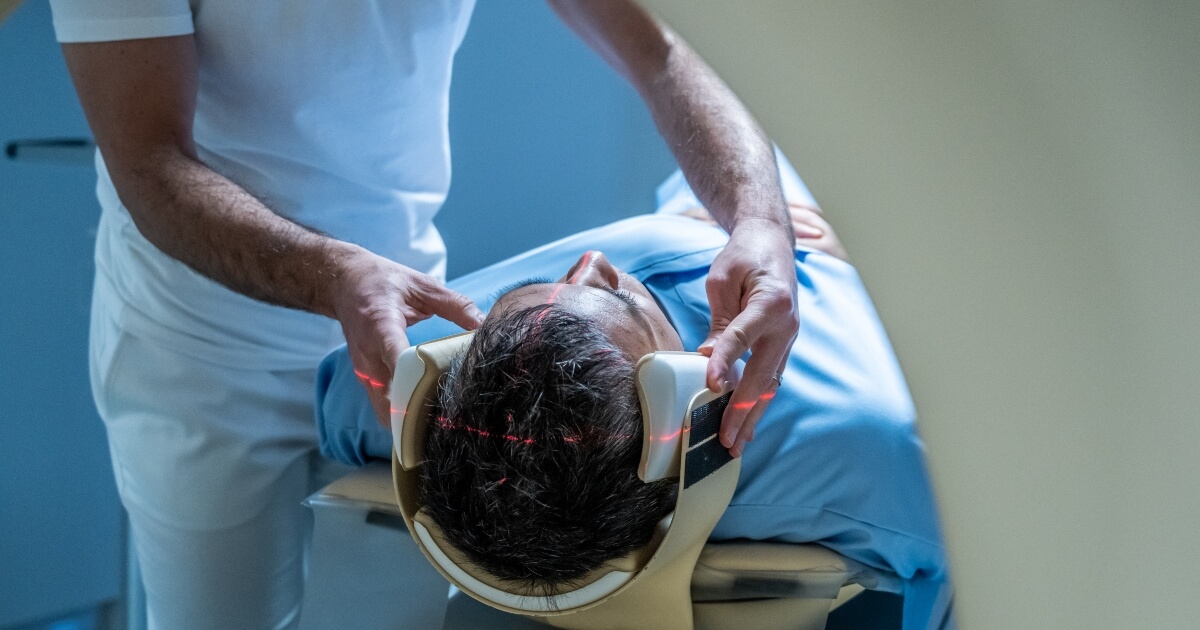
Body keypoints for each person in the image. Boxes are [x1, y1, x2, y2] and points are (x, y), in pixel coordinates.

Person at [51, 1, 802, 626]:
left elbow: (659, 47)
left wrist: (763, 221)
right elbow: (148, 161)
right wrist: (333, 274)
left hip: (407, 331)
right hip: (205, 339)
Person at [317, 153, 955, 630]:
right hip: (834, 229)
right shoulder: (875, 454)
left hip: (712, 201)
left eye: (524, 296)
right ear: (695, 406)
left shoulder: (375, 390)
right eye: (622, 298)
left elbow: (335, 391)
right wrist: (788, 223)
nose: (593, 260)